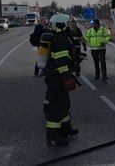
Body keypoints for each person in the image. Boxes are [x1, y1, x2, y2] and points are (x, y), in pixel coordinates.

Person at [36, 13, 78, 147]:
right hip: (57, 79)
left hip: (56, 78)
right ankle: (53, 138)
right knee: (56, 109)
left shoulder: (62, 37)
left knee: (64, 105)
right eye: (69, 23)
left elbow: (64, 59)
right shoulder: (61, 40)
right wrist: (68, 79)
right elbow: (61, 64)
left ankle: (66, 130)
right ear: (62, 25)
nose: (72, 25)